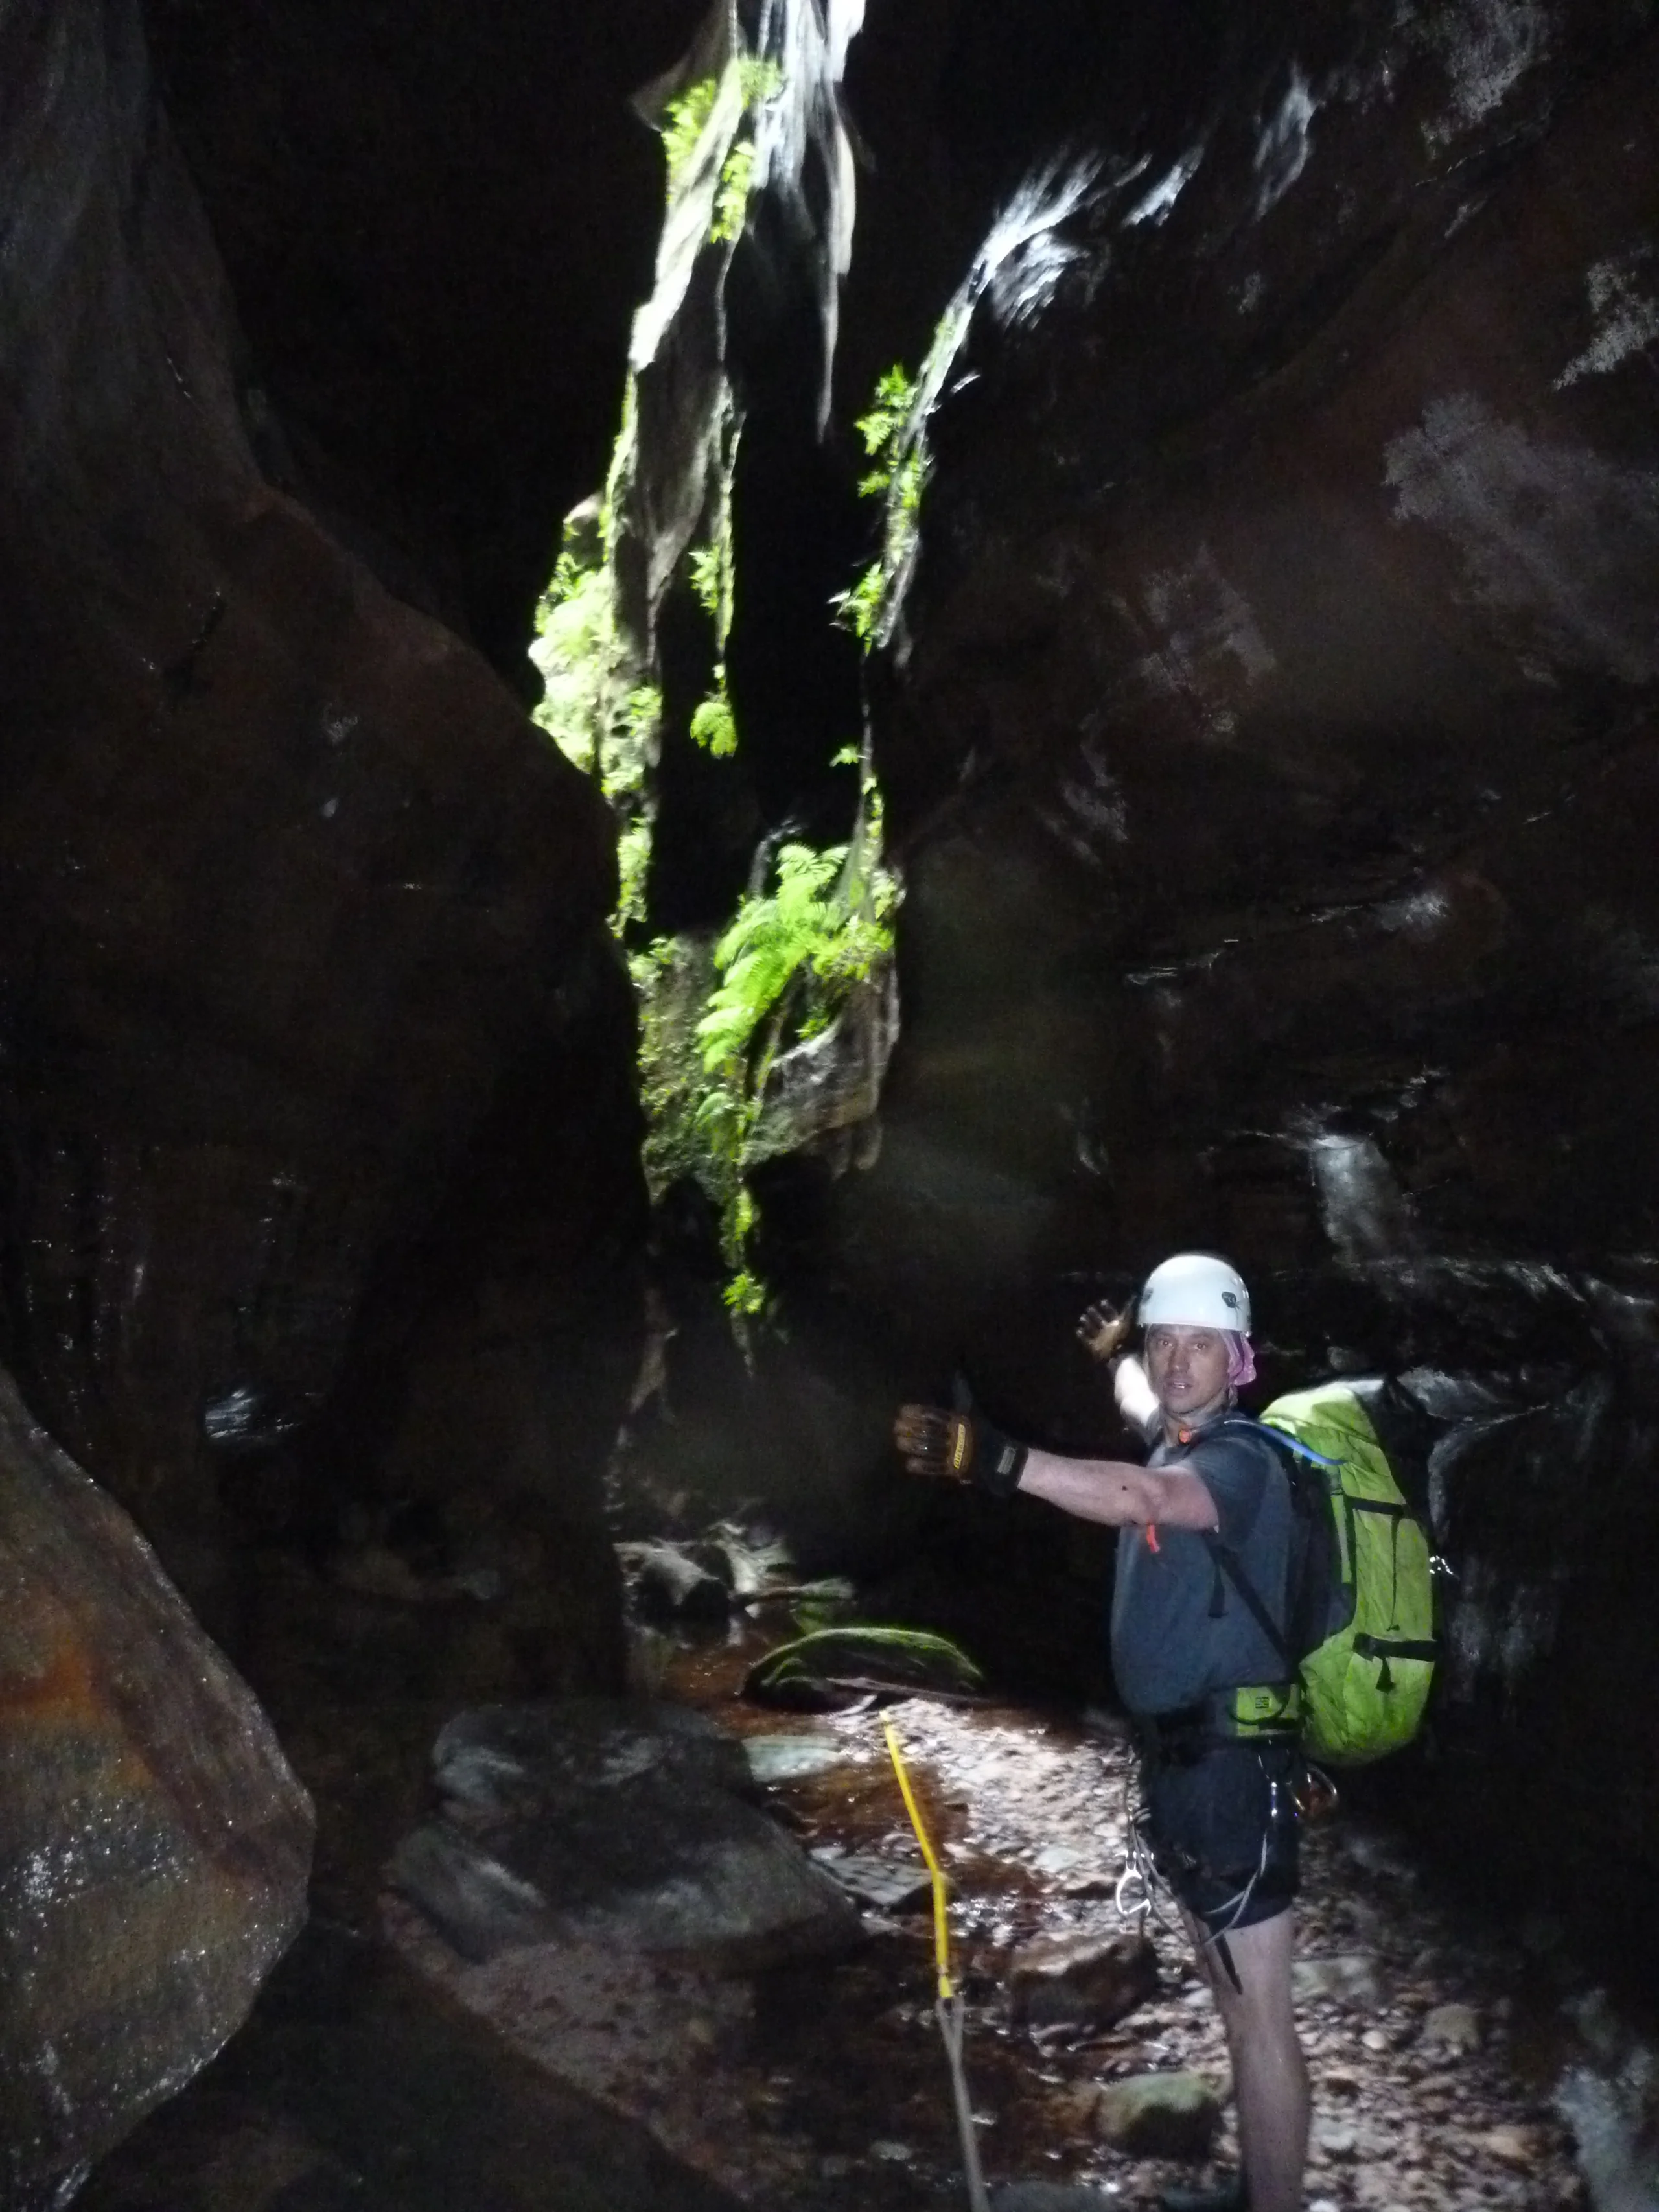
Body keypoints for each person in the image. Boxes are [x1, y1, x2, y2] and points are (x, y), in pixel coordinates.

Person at [894, 1253, 1310, 2212]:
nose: (1177, 1362)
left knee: (1261, 2016)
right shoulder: (1174, 1431)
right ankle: (1258, 2188)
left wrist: (992, 1460)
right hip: (1186, 1765)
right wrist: (1120, 1353)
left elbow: (1143, 1499)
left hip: (1234, 1772)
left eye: (1201, 1345)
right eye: (1166, 1342)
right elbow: (1141, 1408)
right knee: (1231, 1997)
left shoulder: (1240, 1462)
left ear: (1239, 1360)